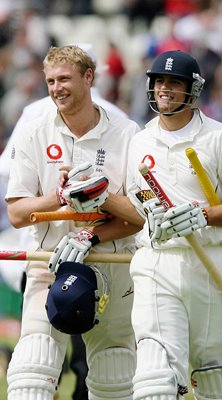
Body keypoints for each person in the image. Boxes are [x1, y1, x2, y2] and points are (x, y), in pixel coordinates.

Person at [106, 50, 222, 399]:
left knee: (212, 373)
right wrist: (147, 214)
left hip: (207, 264)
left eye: (174, 83)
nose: (164, 89)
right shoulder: (141, 140)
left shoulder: (219, 137)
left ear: (192, 89)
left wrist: (201, 214)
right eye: (159, 81)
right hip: (155, 262)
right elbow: (137, 200)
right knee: (156, 374)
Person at [5, 45, 142, 400]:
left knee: (115, 378)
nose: (56, 88)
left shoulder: (127, 134)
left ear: (88, 77)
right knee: (30, 378)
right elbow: (18, 214)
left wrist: (98, 211)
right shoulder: (33, 132)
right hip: (48, 265)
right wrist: (61, 196)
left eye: (64, 78)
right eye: (50, 80)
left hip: (110, 266)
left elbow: (139, 216)